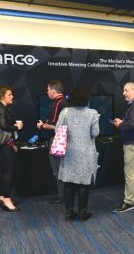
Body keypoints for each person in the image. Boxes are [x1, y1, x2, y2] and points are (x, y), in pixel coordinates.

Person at [56, 86, 100, 222]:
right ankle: (82, 212)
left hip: (69, 152)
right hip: (86, 153)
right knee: (83, 184)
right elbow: (95, 133)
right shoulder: (92, 113)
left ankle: (69, 213)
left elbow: (57, 129)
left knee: (68, 184)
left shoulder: (65, 112)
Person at [111, 82, 134, 213]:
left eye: (126, 90)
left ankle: (128, 202)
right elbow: (133, 122)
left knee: (131, 173)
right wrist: (122, 122)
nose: (123, 93)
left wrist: (120, 125)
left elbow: (132, 125)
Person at [0, 85, 24, 212]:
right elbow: (3, 125)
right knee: (9, 172)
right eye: (9, 95)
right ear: (1, 96)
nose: (12, 97)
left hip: (4, 144)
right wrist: (17, 127)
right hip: (5, 145)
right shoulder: (1, 109)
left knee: (5, 171)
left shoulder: (0, 108)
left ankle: (1, 197)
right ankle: (6, 199)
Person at [36, 80, 67, 204]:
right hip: (69, 141)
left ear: (53, 91)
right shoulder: (68, 102)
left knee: (57, 169)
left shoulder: (57, 103)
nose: (47, 92)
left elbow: (54, 125)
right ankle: (67, 195)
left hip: (58, 141)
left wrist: (42, 126)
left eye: (48, 90)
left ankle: (62, 196)